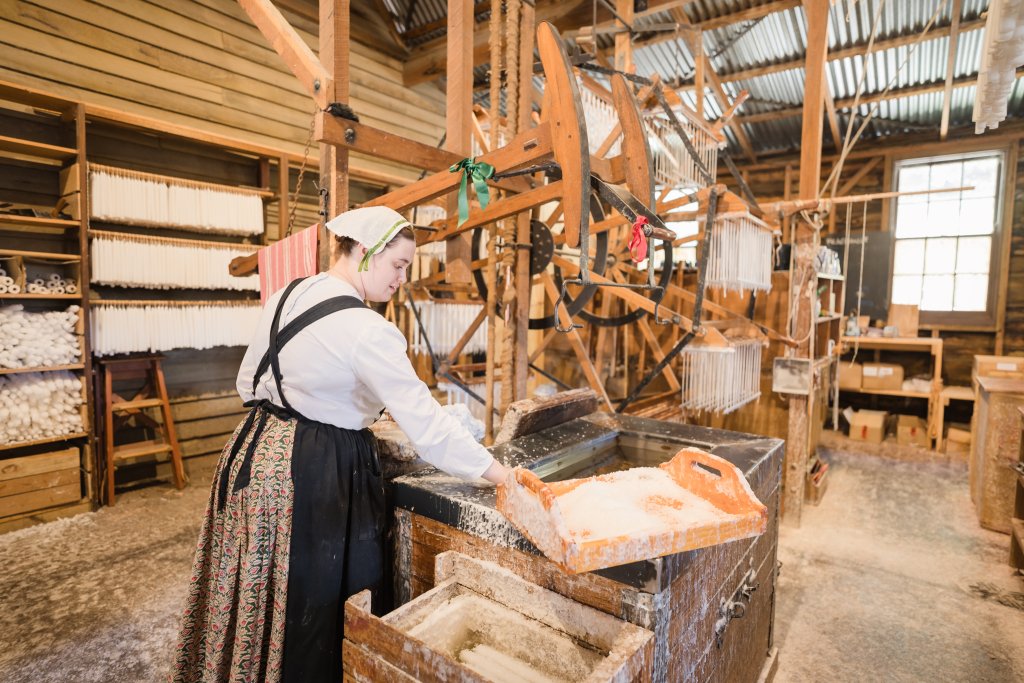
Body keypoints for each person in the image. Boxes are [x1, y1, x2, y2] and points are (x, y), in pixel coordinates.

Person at [171, 206, 509, 682]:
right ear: (365, 252)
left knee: (255, 587)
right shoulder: (368, 329)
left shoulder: (286, 294)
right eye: (398, 265)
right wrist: (500, 475)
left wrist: (340, 399)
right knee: (310, 605)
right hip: (313, 471)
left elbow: (248, 382)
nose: (401, 279)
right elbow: (428, 428)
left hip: (251, 456)